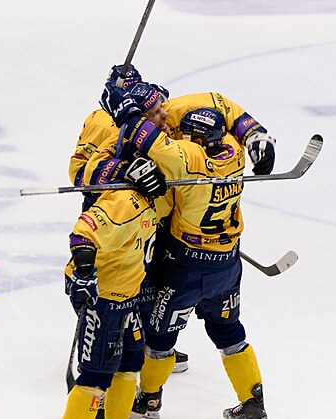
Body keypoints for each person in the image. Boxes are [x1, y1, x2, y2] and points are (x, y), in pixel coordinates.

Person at [97, 82, 276, 419]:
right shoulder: (233, 149)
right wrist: (253, 133)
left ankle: (149, 399)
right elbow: (222, 107)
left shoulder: (188, 157)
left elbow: (151, 140)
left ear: (198, 141)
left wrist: (125, 111)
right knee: (228, 330)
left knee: (159, 337)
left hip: (185, 268)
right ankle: (254, 403)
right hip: (227, 263)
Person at [61, 166, 172, 419]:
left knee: (131, 361)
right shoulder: (123, 201)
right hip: (102, 297)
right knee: (97, 374)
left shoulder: (153, 198)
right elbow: (82, 235)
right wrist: (84, 273)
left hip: (128, 296)